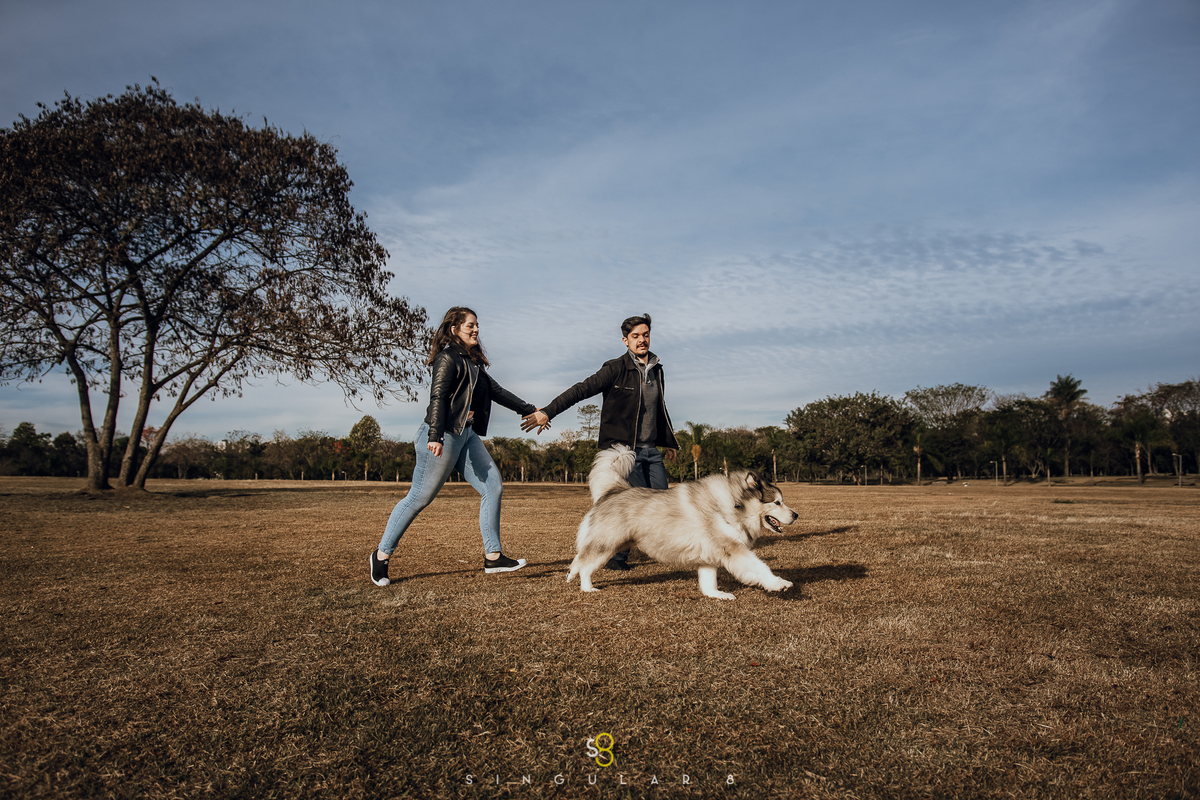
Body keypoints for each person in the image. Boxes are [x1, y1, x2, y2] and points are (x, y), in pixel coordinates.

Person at [370, 307, 545, 586]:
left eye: (477, 326)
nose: (476, 330)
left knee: (492, 486)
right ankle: (380, 556)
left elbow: (497, 392)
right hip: (443, 434)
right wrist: (435, 436)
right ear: (454, 329)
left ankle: (493, 556)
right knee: (419, 498)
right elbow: (438, 397)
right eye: (470, 326)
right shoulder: (447, 358)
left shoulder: (473, 363)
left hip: (467, 434)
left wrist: (530, 410)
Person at [521, 313, 679, 570]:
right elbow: (580, 390)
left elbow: (658, 407)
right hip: (625, 452)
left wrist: (668, 439)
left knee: (663, 503)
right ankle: (616, 557)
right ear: (625, 340)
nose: (642, 340)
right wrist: (547, 411)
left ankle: (650, 548)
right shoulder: (615, 369)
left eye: (645, 335)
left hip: (651, 450)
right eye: (635, 336)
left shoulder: (656, 370)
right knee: (632, 504)